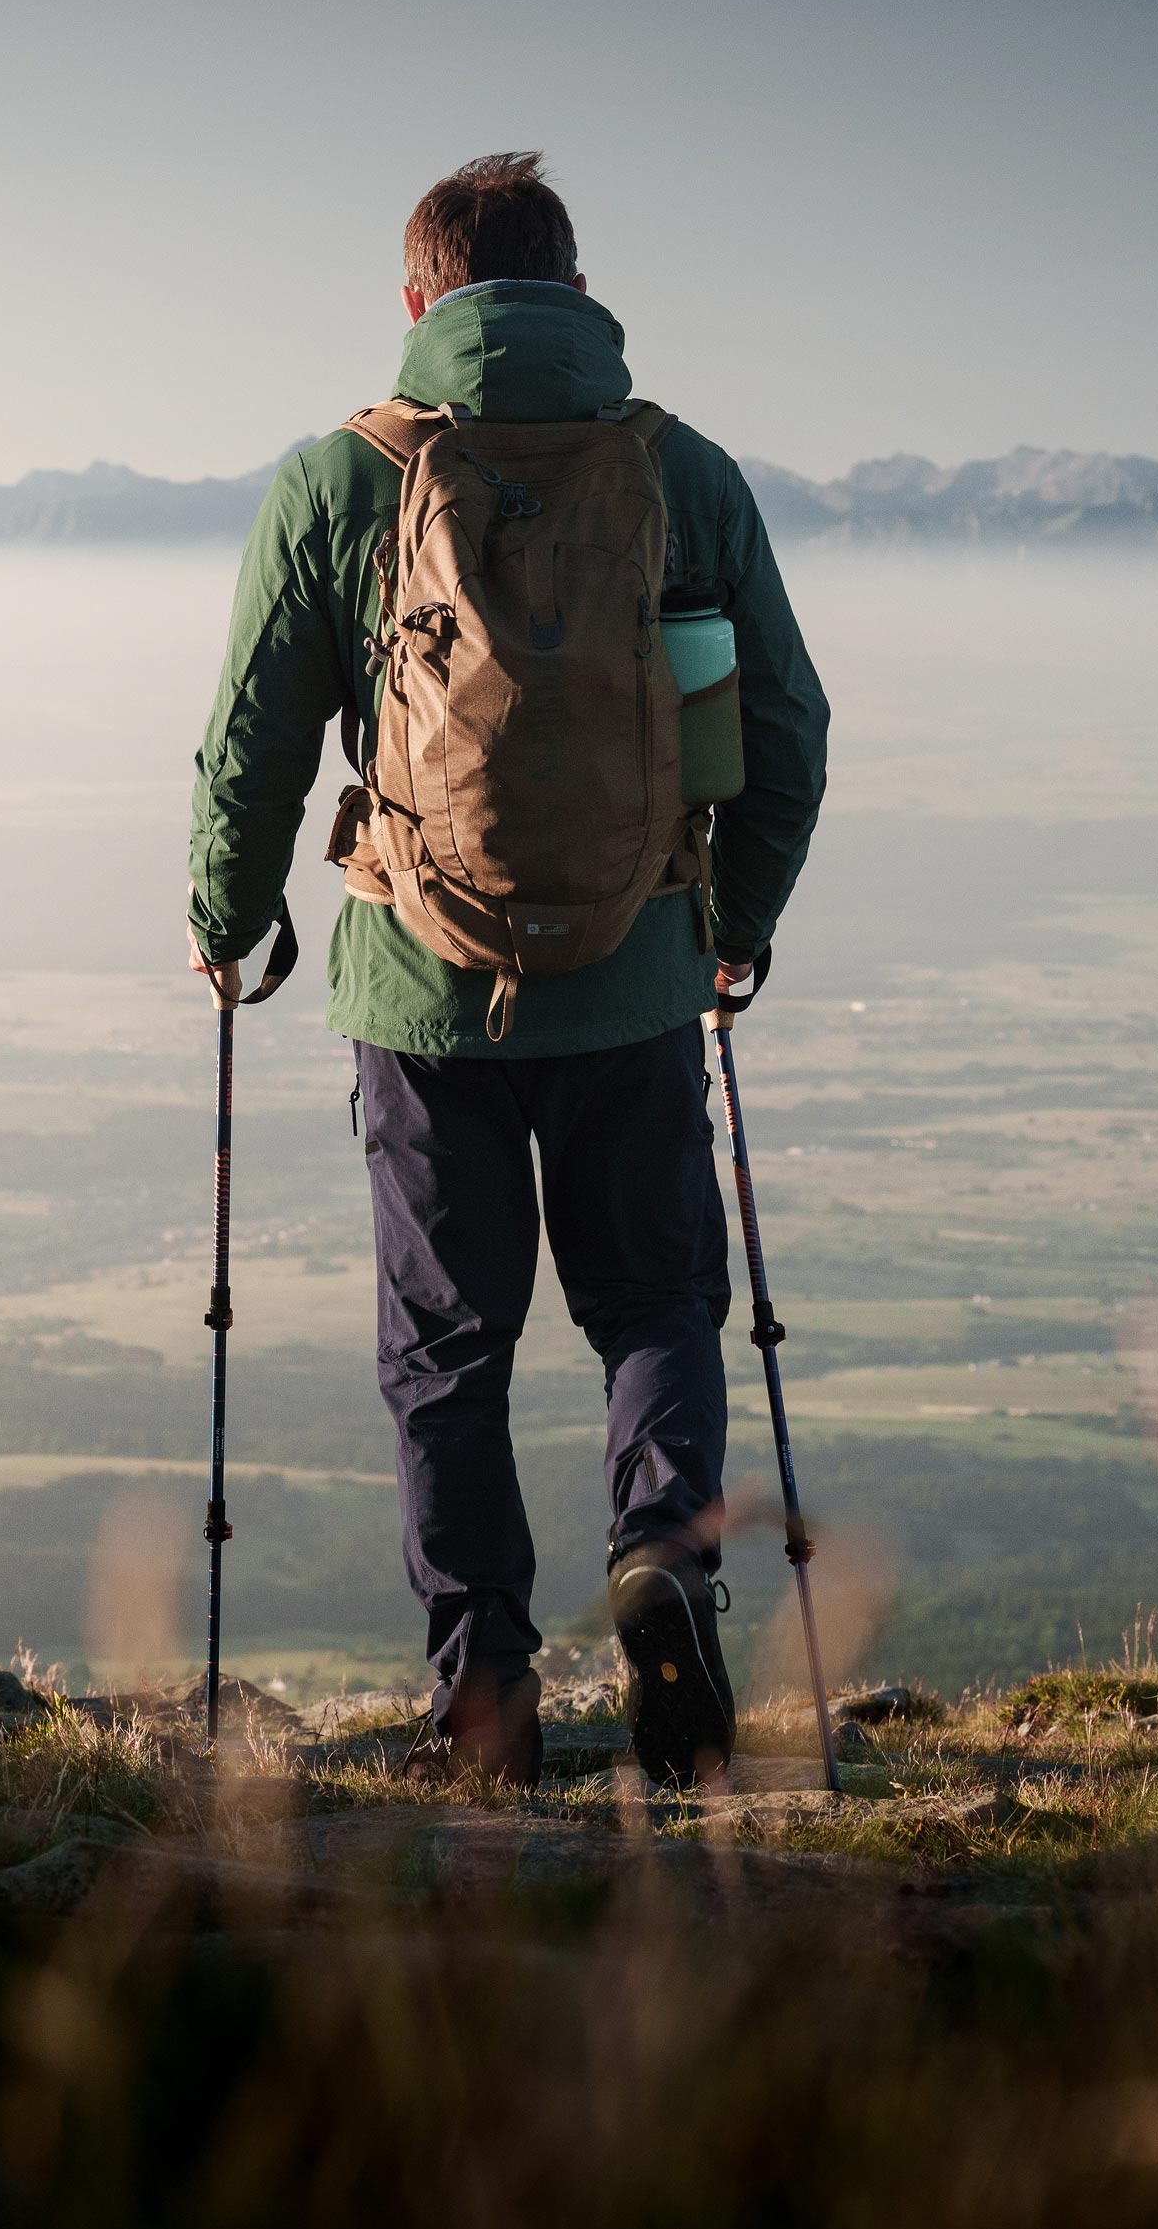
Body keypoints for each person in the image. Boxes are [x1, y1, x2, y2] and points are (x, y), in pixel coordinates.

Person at [186, 152, 828, 1785]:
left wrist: (225, 918)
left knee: (446, 1358)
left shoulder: (341, 481)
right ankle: (666, 1565)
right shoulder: (680, 474)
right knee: (658, 1306)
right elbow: (786, 733)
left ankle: (485, 1710)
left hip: (421, 992)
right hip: (635, 979)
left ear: (417, 305)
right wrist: (729, 923)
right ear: (580, 293)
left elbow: (256, 738)